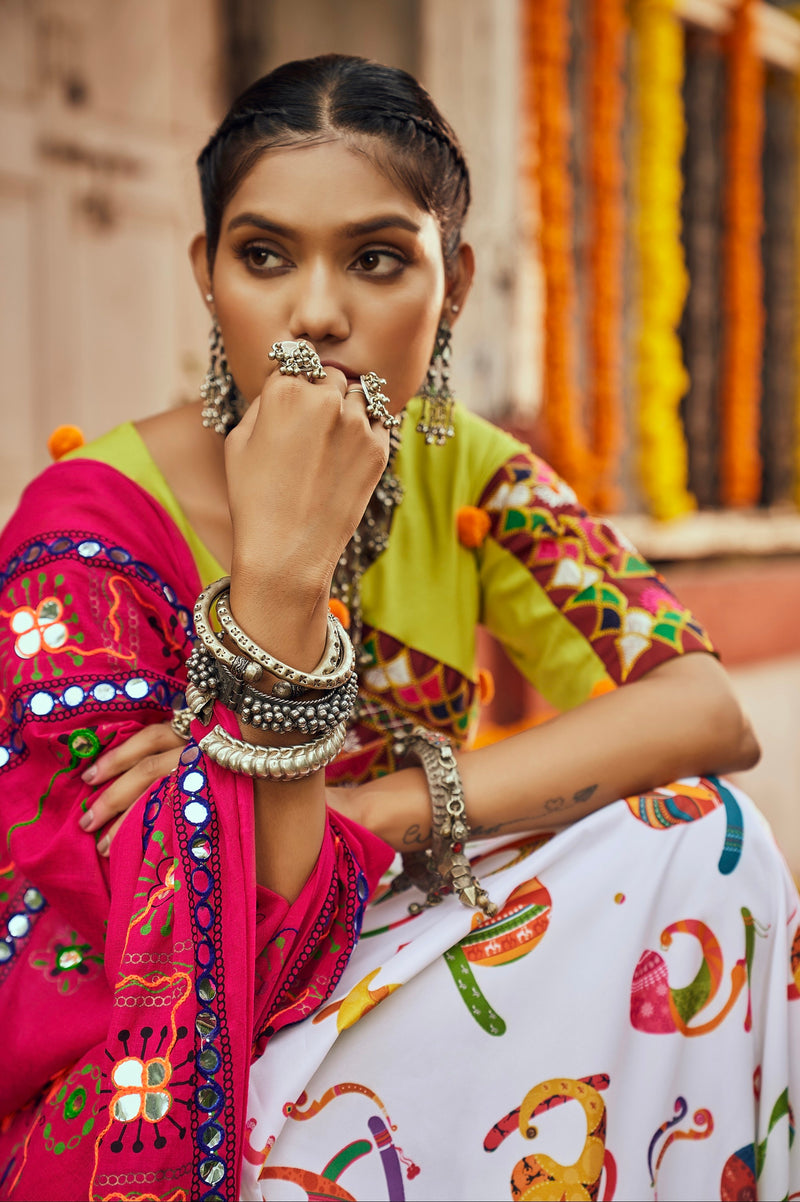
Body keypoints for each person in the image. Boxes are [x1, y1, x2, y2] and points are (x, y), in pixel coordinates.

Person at [0, 53, 796, 1202]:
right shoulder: (88, 526)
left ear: (455, 283)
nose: (316, 315)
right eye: (263, 255)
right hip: (204, 1048)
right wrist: (280, 568)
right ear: (205, 275)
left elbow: (704, 708)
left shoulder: (466, 470)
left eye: (376, 260)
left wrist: (381, 806)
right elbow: (196, 950)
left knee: (700, 837)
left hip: (401, 939)